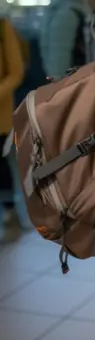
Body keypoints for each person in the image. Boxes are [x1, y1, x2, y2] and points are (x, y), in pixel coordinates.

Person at [40, 0, 92, 78]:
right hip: (71, 82)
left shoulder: (59, 7)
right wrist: (60, 87)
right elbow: (59, 55)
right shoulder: (69, 12)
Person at [0, 17, 25, 240]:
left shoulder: (2, 26)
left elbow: (16, 71)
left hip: (0, 113)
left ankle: (9, 210)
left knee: (1, 165)